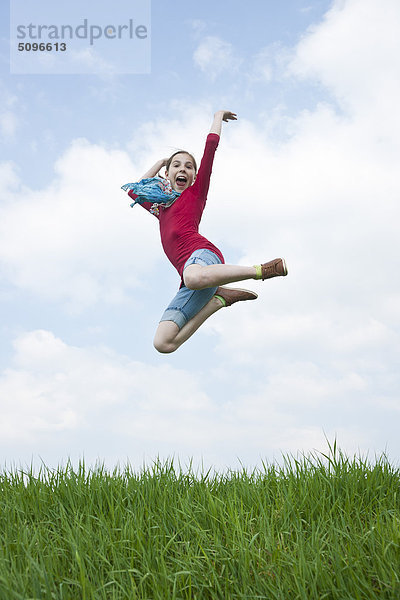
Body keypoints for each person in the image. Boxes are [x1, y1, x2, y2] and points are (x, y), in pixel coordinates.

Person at [122, 110, 287, 353]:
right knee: (163, 343)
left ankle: (261, 270)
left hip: (203, 257)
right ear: (167, 175)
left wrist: (218, 117)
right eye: (175, 165)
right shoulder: (160, 208)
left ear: (194, 176)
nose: (182, 169)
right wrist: (159, 162)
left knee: (193, 276)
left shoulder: (195, 193)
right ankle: (219, 299)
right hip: (193, 276)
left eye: (188, 167)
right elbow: (133, 191)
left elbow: (210, 148)